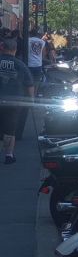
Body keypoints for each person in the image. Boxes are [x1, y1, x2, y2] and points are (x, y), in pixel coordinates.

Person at [0, 34, 34, 164]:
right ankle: (9, 155)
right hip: (13, 102)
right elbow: (29, 85)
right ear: (15, 49)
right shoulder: (20, 65)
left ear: (2, 48)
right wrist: (31, 101)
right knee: (10, 129)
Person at [27, 28, 45, 92]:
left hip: (29, 64)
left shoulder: (27, 40)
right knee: (36, 82)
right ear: (37, 34)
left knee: (29, 82)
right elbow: (43, 54)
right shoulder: (42, 42)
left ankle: (29, 96)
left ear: (30, 34)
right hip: (38, 64)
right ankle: (34, 95)